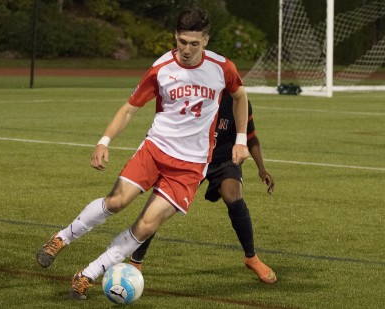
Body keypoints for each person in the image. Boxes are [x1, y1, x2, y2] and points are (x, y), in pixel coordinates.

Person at [36, 8, 250, 300]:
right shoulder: (161, 67)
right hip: (155, 149)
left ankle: (86, 276)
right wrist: (104, 141)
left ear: (206, 40)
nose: (186, 49)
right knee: (117, 201)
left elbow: (240, 96)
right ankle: (61, 238)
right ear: (175, 36)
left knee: (145, 225)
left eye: (194, 43)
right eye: (181, 41)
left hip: (190, 166)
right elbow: (130, 108)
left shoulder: (222, 68)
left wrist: (240, 140)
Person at [128, 91, 277, 284]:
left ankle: (251, 258)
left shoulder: (239, 101)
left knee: (233, 196)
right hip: (192, 157)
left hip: (224, 160)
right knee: (161, 205)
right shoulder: (196, 96)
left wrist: (262, 169)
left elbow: (251, 136)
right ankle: (135, 261)